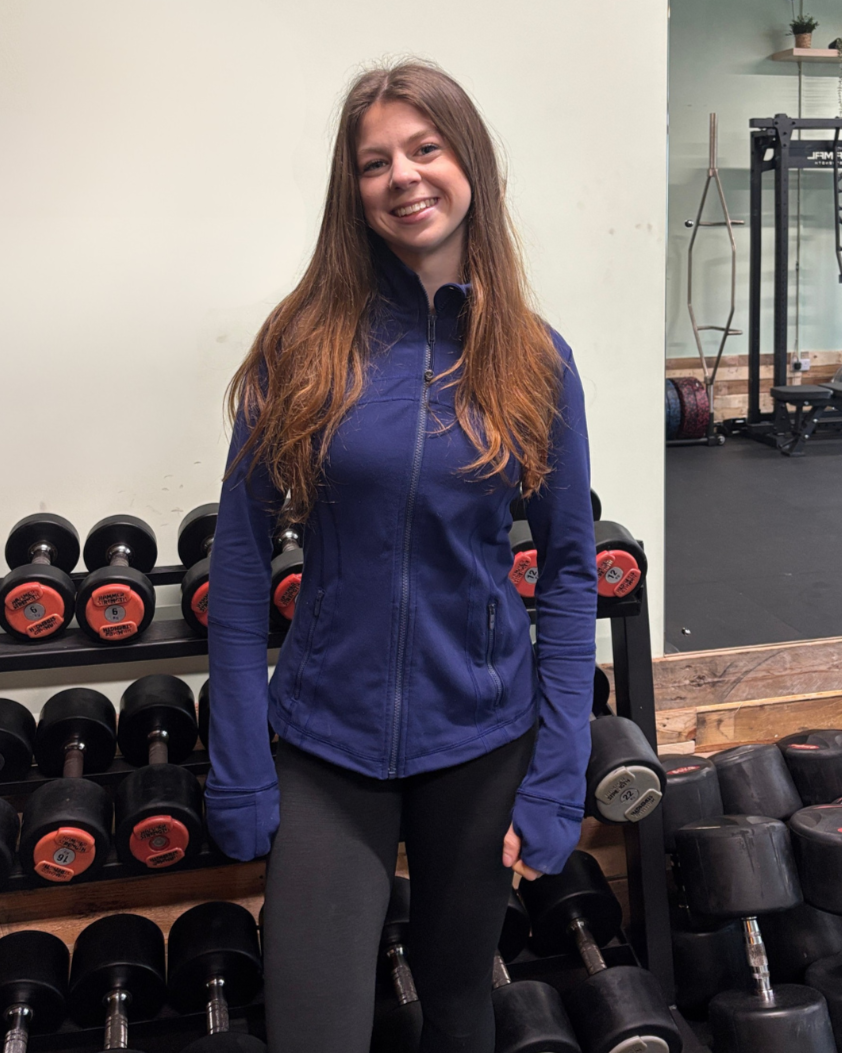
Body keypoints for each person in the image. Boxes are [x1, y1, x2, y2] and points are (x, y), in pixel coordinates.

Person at [205, 59, 597, 1053]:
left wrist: (556, 776)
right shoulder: (301, 345)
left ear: (467, 163)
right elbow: (243, 573)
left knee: (458, 1011)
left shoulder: (533, 358)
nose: (403, 176)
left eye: (424, 149)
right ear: (354, 189)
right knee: (313, 1028)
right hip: (326, 741)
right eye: (374, 160)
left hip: (479, 735)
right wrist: (241, 769)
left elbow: (564, 575)